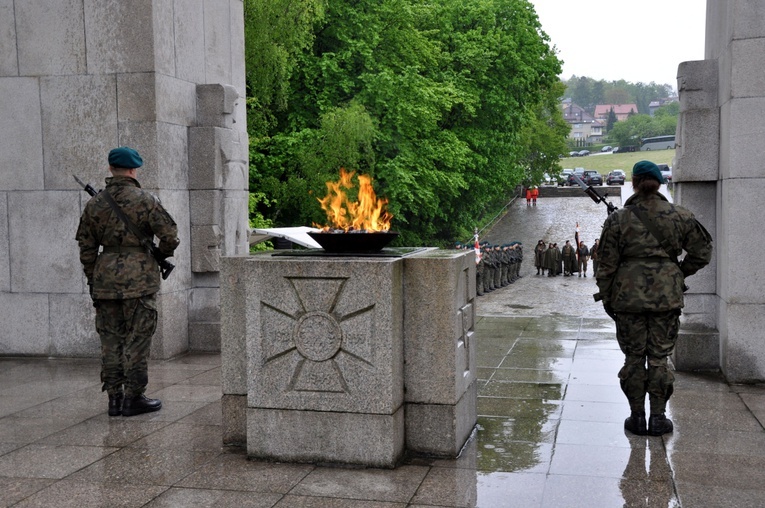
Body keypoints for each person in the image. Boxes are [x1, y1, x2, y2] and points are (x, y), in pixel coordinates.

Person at [594, 160, 712, 436]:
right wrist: (678, 274)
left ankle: (636, 417)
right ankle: (658, 418)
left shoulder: (618, 219)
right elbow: (703, 253)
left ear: (634, 182)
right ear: (659, 183)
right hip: (666, 298)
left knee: (634, 358)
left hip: (628, 299)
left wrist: (609, 297)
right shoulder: (680, 215)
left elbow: (605, 265)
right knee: (659, 358)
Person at [76, 147, 180, 417]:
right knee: (137, 339)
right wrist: (160, 255)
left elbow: (86, 249)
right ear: (134, 170)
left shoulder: (94, 204)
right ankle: (133, 398)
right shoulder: (146, 200)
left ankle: (114, 399)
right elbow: (170, 236)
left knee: (110, 340)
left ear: (111, 169)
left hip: (105, 280)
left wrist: (93, 279)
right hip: (140, 281)